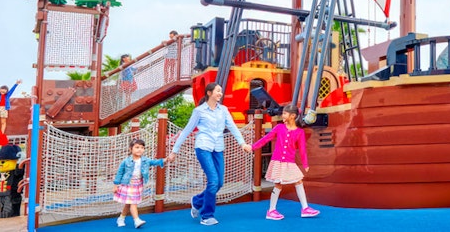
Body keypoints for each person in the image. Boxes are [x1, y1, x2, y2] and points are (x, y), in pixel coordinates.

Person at [167, 83, 252, 226]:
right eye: (218, 91)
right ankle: (206, 216)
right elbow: (187, 130)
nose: (220, 93)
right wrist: (174, 151)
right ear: (209, 93)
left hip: (218, 148)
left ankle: (197, 201)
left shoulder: (223, 110)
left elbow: (232, 127)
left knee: (219, 183)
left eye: (221, 91)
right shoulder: (199, 111)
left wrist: (242, 143)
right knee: (213, 181)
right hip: (203, 147)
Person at [250, 105, 319, 219]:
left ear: (293, 116)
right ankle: (271, 210)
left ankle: (305, 208)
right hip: (278, 162)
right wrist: (252, 147)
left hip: (289, 162)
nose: (283, 115)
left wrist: (305, 164)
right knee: (278, 184)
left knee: (298, 181)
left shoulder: (299, 132)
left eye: (285, 113)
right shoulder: (279, 128)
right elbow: (266, 139)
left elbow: (302, 150)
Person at [113, 139, 165, 229]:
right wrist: (116, 184)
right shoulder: (126, 161)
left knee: (128, 203)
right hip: (128, 184)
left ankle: (121, 218)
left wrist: (165, 160)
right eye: (137, 147)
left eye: (142, 147)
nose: (139, 149)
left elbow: (154, 162)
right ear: (131, 149)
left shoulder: (145, 160)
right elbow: (120, 173)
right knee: (133, 203)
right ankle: (136, 220)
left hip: (138, 184)